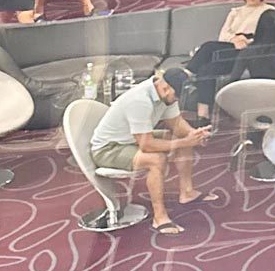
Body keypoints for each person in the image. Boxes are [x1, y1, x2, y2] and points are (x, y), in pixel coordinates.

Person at [89, 66, 213, 238]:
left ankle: (187, 192)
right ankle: (160, 217)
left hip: (130, 139)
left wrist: (194, 134)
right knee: (156, 159)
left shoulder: (166, 95)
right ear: (165, 88)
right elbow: (146, 145)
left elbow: (175, 123)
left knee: (178, 138)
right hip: (108, 149)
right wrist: (184, 141)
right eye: (176, 96)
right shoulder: (140, 100)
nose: (176, 100)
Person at [181, 0, 271, 118]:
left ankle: (188, 77)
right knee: (208, 57)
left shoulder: (268, 12)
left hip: (248, 51)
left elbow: (267, 37)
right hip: (230, 45)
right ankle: (202, 112)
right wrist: (234, 40)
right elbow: (223, 35)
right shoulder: (235, 11)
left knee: (208, 58)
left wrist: (246, 42)